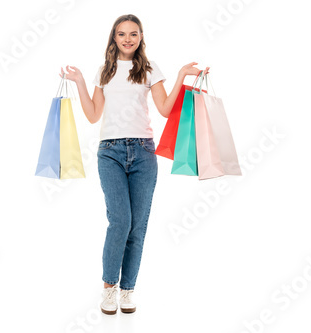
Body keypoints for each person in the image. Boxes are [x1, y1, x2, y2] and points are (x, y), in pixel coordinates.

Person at [62, 14, 204, 315]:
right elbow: (92, 115)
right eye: (122, 33)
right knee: (120, 221)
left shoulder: (149, 70)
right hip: (110, 152)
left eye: (133, 34)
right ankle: (109, 288)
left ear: (141, 37)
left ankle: (128, 291)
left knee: (137, 227)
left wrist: (181, 76)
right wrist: (78, 83)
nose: (128, 38)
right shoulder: (105, 71)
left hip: (143, 153)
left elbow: (165, 110)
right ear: (114, 38)